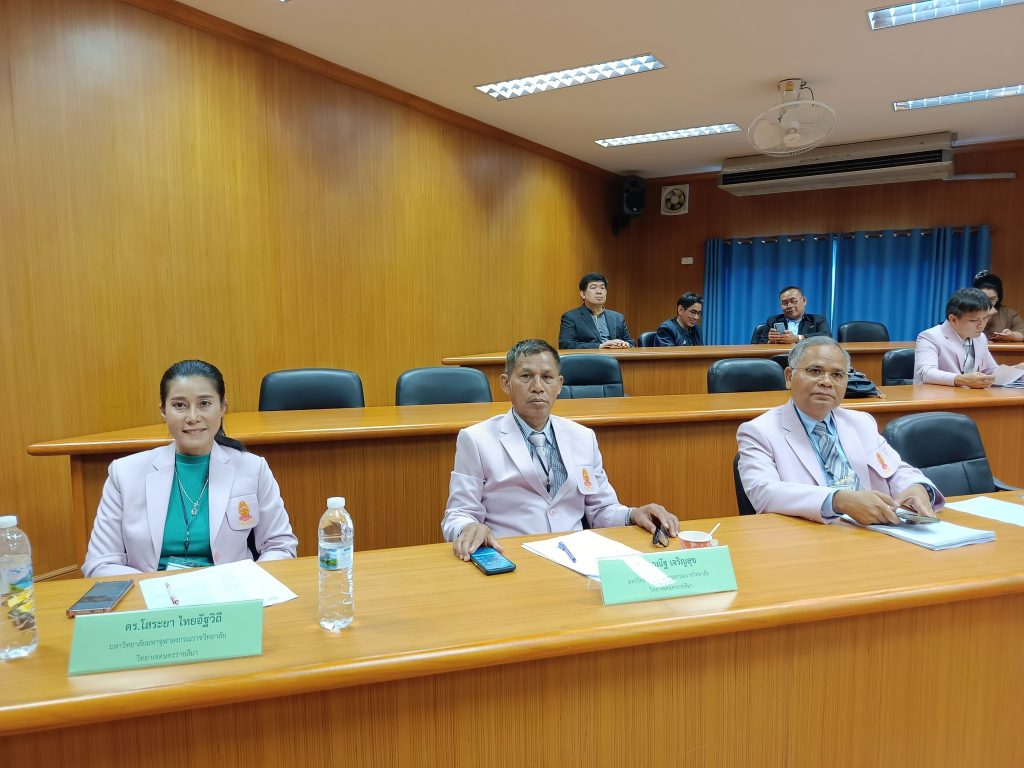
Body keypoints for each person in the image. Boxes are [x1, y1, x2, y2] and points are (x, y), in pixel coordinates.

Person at [442, 339, 678, 559]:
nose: (537, 387)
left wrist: (633, 514)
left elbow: (601, 510)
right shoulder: (477, 439)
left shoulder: (583, 437)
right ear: (506, 383)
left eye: (547, 377)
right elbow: (458, 514)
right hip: (512, 557)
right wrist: (468, 527)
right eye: (526, 376)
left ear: (559, 385)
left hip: (576, 558)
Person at [83, 360, 298, 577]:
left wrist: (247, 583)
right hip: (152, 591)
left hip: (229, 590)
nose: (193, 417)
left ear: (222, 407)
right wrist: (152, 588)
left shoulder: (252, 468)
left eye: (204, 403)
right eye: (179, 405)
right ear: (163, 411)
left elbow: (280, 546)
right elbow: (99, 564)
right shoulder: (124, 474)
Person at [737, 337, 942, 525]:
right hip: (812, 533)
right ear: (789, 377)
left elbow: (895, 470)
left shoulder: (861, 422)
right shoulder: (759, 431)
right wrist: (837, 500)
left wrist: (918, 487)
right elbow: (763, 492)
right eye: (815, 371)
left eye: (837, 375)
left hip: (876, 530)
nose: (827, 382)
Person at [914, 288, 997, 388]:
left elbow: (991, 370)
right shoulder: (930, 337)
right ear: (953, 319)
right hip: (938, 395)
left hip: (971, 395)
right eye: (974, 320)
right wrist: (960, 379)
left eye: (985, 318)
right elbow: (926, 373)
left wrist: (1012, 372)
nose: (981, 325)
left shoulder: (980, 338)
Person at [558, 273, 634, 349]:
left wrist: (625, 344)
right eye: (593, 287)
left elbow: (631, 343)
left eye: (602, 288)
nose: (599, 292)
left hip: (617, 355)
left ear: (606, 292)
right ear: (583, 294)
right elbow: (566, 345)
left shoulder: (618, 317)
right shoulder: (571, 317)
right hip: (589, 356)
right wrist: (600, 346)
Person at [753, 286, 831, 344]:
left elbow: (826, 337)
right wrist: (771, 341)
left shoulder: (817, 320)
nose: (789, 306)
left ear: (804, 301)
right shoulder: (773, 321)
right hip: (778, 358)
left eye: (793, 301)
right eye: (784, 303)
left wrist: (798, 338)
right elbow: (760, 345)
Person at [973, 270, 1024, 343]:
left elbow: (1022, 333)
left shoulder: (1009, 313)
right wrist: (987, 315)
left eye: (992, 299)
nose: (987, 302)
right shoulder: (967, 311)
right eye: (983, 297)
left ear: (998, 297)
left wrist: (1011, 335)